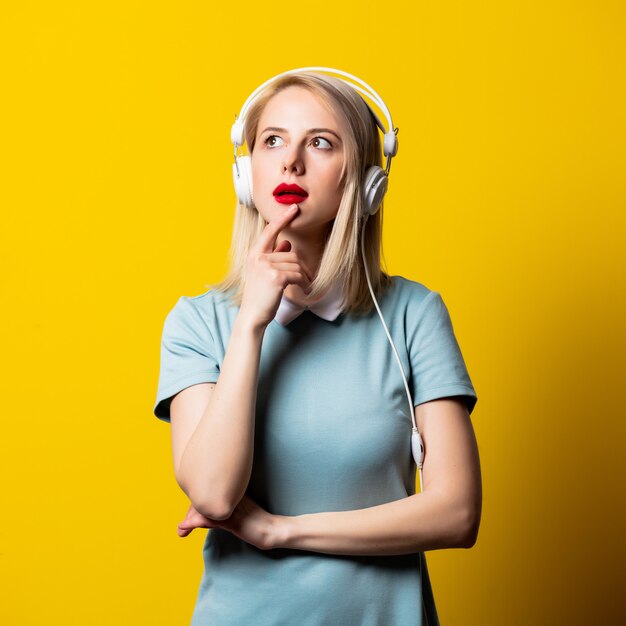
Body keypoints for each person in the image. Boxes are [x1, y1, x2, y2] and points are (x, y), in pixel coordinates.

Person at [153, 68, 482, 626]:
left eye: (321, 143)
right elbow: (212, 494)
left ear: (366, 180)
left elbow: (457, 512)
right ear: (245, 171)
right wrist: (252, 324)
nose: (291, 162)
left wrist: (284, 530)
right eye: (272, 140)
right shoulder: (198, 323)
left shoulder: (413, 314)